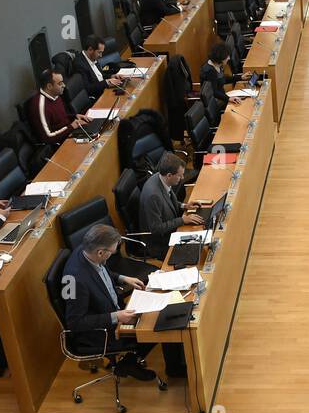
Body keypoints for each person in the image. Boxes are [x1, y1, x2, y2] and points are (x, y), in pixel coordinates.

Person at [61, 224, 158, 380]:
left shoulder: (86, 249)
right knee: (154, 329)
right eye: (112, 252)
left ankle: (129, 361)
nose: (113, 255)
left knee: (154, 316)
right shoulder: (75, 279)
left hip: (113, 308)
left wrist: (123, 278)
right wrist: (116, 316)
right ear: (101, 252)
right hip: (100, 331)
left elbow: (102, 270)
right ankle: (129, 363)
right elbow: (74, 323)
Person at [139, 152, 203, 260]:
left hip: (171, 229)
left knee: (200, 234)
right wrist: (182, 220)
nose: (182, 178)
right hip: (161, 242)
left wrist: (184, 206)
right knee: (196, 253)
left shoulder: (160, 178)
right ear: (169, 175)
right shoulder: (153, 196)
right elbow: (156, 229)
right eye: (180, 175)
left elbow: (168, 201)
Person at [30, 68, 83, 146]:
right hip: (61, 143)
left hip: (69, 133)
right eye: (60, 83)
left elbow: (60, 118)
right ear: (49, 86)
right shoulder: (40, 105)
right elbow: (47, 137)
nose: (64, 85)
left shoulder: (55, 95)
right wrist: (71, 127)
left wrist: (75, 116)